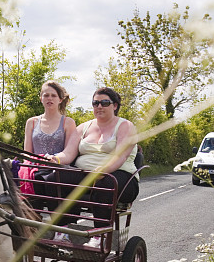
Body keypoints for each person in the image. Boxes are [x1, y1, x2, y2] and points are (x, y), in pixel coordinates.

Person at [43, 87, 140, 248]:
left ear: (114, 106)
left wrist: (103, 170)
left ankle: (100, 234)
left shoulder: (126, 126)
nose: (99, 106)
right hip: (87, 175)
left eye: (104, 102)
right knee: (54, 177)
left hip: (120, 176)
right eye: (95, 103)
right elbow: (68, 154)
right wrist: (56, 159)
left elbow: (120, 156)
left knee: (105, 183)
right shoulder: (83, 127)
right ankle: (64, 229)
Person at [17, 81, 76, 242]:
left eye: (53, 95)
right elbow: (27, 152)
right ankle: (27, 223)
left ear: (60, 99)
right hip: (34, 165)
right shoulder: (32, 122)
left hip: (57, 166)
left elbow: (69, 152)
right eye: (46, 95)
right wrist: (29, 165)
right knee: (15, 176)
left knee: (48, 178)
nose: (49, 98)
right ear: (41, 98)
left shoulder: (68, 122)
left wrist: (54, 159)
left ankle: (61, 228)